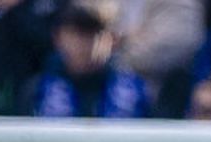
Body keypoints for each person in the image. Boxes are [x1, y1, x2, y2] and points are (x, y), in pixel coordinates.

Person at [23, 1, 152, 119]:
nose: (84, 43)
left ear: (113, 39)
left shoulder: (139, 93)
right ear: (57, 37)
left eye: (94, 32)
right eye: (76, 33)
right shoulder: (36, 92)